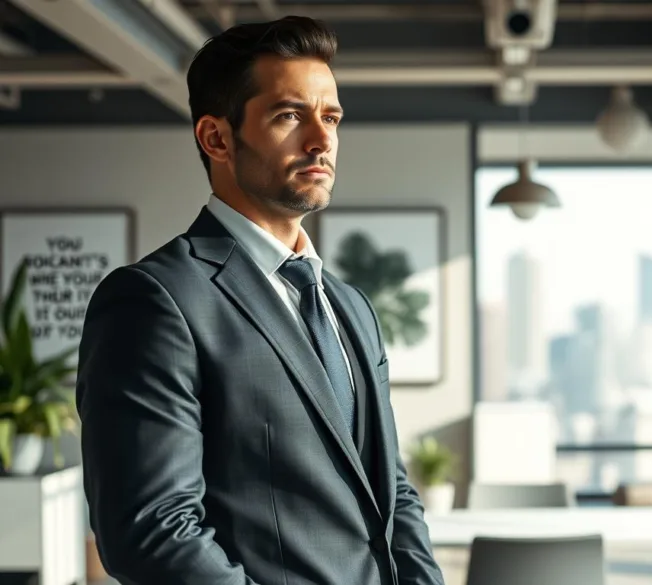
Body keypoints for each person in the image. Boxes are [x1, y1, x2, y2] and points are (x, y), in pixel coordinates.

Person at [75, 16, 445, 585]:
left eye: (331, 117)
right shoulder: (156, 300)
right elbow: (150, 530)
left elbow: (389, 489)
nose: (321, 140)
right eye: (290, 115)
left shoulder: (351, 308)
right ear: (217, 137)